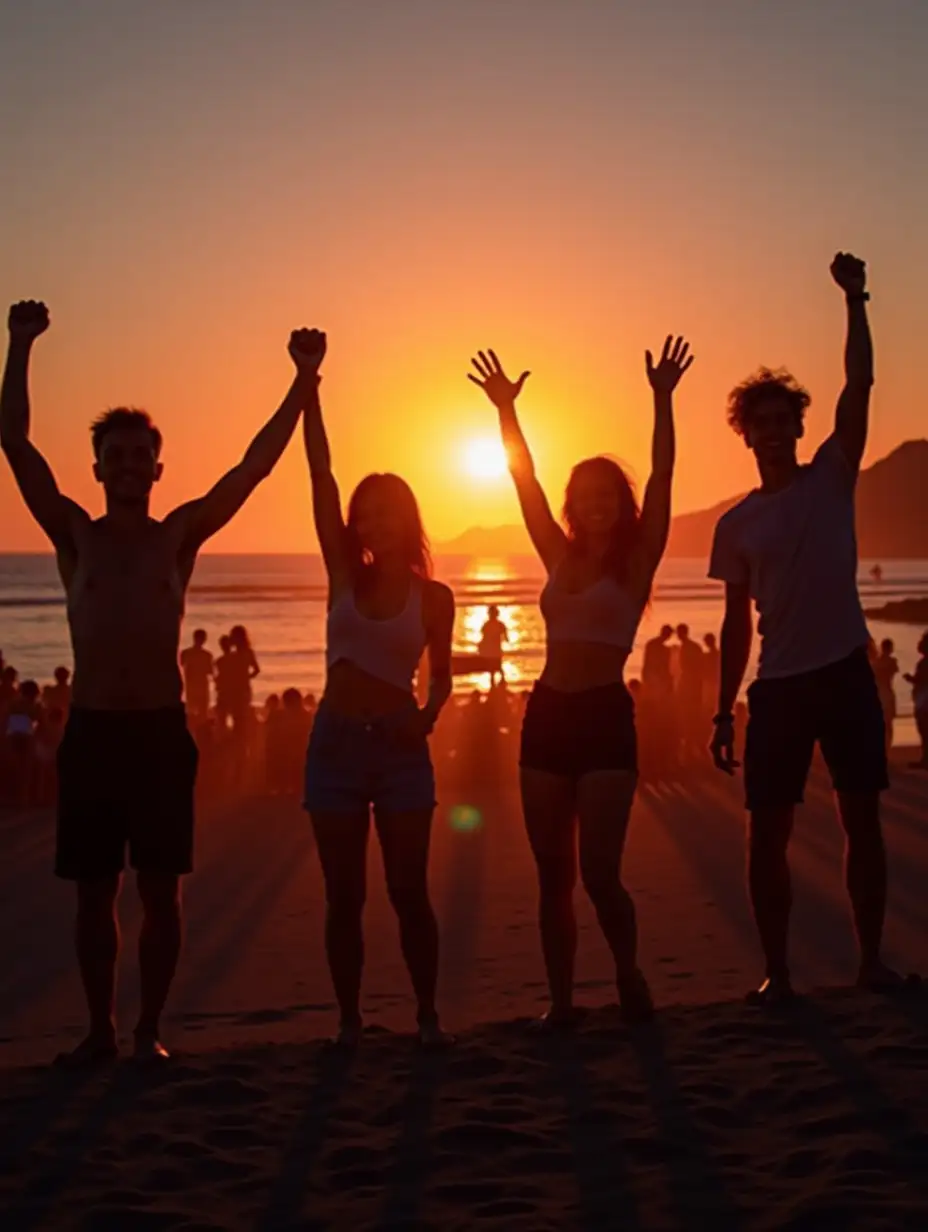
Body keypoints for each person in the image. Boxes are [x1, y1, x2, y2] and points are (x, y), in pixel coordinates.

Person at [0, 298, 324, 1064]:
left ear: (156, 466)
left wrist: (303, 382)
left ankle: (148, 1033)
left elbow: (253, 468)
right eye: (114, 456)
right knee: (92, 891)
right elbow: (14, 442)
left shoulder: (177, 536)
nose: (127, 467)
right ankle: (100, 1030)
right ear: (99, 468)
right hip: (93, 731)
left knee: (161, 890)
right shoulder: (74, 534)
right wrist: (19, 344)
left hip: (158, 732)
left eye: (139, 456)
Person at [471, 338, 693, 1026]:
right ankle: (562, 1003)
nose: (595, 504)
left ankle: (627, 972)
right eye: (584, 496)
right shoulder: (557, 555)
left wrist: (661, 399)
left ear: (619, 504)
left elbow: (661, 478)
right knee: (553, 877)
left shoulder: (637, 562)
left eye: (606, 495)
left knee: (599, 871)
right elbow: (524, 481)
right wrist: (506, 412)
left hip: (602, 716)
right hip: (546, 715)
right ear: (574, 505)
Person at [708, 253, 905, 1004]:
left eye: (783, 420)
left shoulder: (833, 475)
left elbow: (860, 384)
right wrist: (725, 709)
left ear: (799, 424)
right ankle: (778, 974)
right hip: (781, 688)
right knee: (767, 835)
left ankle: (871, 962)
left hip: (845, 673)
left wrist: (856, 300)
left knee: (862, 820)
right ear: (746, 436)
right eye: (758, 425)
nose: (773, 432)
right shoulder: (737, 525)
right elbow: (734, 626)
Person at [301, 334, 455, 1049]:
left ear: (408, 518)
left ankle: (426, 1015)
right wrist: (311, 384)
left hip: (398, 752)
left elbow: (443, 678)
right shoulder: (342, 575)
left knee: (407, 892)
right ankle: (350, 1021)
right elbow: (321, 475)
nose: (371, 523)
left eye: (384, 511)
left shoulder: (435, 597)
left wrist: (423, 718)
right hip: (333, 743)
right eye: (364, 515)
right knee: (344, 898)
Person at [675, 623, 706, 763]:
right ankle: (691, 747)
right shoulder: (690, 647)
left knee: (690, 715)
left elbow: (695, 667)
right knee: (688, 715)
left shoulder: (690, 647)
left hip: (691, 684)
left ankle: (692, 747)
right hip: (691, 683)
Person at [903, 632, 928, 770]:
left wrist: (910, 679)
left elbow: (922, 680)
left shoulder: (925, 663)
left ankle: (926, 760)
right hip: (923, 700)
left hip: (924, 701)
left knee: (924, 730)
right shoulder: (923, 662)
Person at [180, 629, 214, 723]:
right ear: (204, 639)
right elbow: (210, 672)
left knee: (191, 712)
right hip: (202, 686)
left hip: (191, 686)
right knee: (202, 713)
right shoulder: (207, 655)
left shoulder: (185, 653)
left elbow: (182, 665)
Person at [873, 638, 899, 754]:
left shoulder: (877, 662)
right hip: (886, 693)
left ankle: (883, 747)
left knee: (883, 723)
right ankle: (886, 747)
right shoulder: (891, 661)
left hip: (880, 693)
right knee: (887, 723)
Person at [478, 604, 508, 685]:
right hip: (493, 649)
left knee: (496, 666)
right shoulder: (494, 624)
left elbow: (505, 635)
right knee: (495, 667)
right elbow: (506, 636)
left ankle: (500, 680)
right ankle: (498, 681)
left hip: (494, 649)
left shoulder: (490, 624)